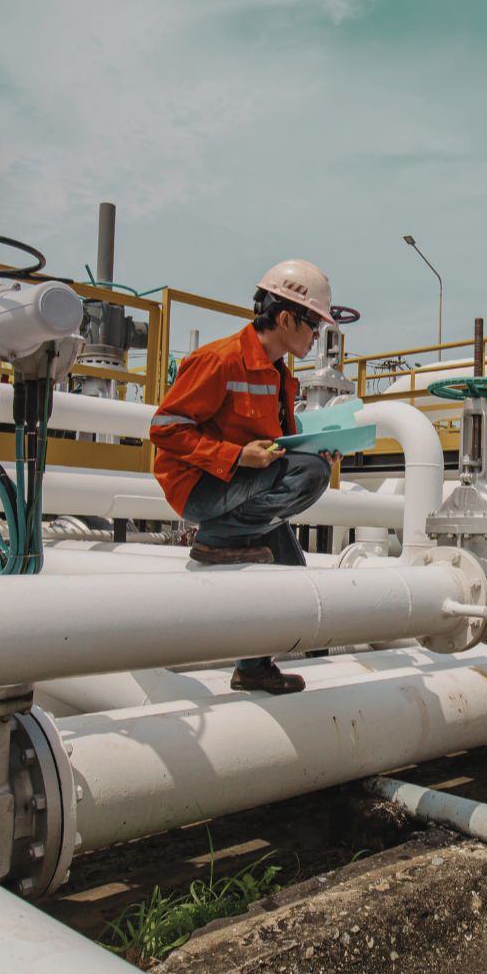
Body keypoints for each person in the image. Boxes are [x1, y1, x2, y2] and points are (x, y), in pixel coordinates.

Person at [150, 260, 340, 695]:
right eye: (314, 325)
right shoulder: (219, 360)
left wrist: (318, 453)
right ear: (287, 317)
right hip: (201, 489)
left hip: (241, 490)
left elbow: (283, 450)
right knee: (308, 474)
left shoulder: (280, 376)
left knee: (291, 572)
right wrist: (235, 456)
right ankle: (217, 538)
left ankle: (252, 668)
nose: (317, 337)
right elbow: (164, 429)